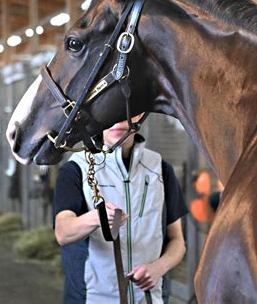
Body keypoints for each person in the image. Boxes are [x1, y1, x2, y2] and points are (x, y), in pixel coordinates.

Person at [54, 115, 188, 304]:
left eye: (125, 114)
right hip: (91, 298)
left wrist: (159, 267)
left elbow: (178, 242)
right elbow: (63, 232)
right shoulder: (77, 168)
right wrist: (96, 218)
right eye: (110, 114)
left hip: (150, 298)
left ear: (140, 116)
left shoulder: (160, 169)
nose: (117, 122)